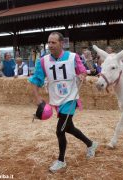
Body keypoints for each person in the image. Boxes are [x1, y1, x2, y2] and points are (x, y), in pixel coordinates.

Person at [28, 32, 98, 172]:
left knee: (60, 130)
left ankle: (61, 161)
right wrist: (37, 98)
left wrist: (83, 76)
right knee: (68, 127)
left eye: (53, 42)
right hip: (57, 100)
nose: (50, 45)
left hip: (70, 98)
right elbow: (36, 80)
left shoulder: (73, 57)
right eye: (49, 42)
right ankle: (90, 144)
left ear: (61, 43)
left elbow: (82, 71)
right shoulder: (43, 61)